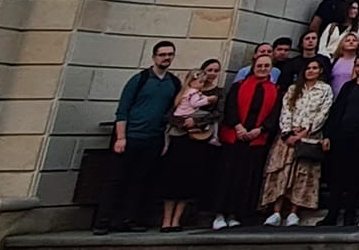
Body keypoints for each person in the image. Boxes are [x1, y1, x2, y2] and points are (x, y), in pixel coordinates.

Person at [98, 40, 180, 234]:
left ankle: (131, 219)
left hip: (153, 139)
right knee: (117, 180)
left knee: (141, 181)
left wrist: (165, 139)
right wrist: (121, 137)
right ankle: (104, 221)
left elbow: (172, 113)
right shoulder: (140, 79)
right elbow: (123, 109)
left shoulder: (173, 83)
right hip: (130, 136)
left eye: (170, 54)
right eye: (162, 54)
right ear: (154, 57)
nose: (166, 58)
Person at [260, 55, 332, 226]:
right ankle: (276, 211)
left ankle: (294, 211)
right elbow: (286, 110)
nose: (311, 71)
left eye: (314, 68)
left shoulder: (325, 89)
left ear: (320, 70)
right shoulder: (293, 89)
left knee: (302, 174)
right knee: (282, 172)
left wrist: (305, 131)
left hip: (309, 136)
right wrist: (287, 133)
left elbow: (323, 112)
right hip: (287, 137)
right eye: (308, 68)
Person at [214, 52, 280, 228]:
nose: (262, 69)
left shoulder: (275, 90)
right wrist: (238, 126)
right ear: (253, 67)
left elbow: (274, 114)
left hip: (256, 140)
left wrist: (260, 129)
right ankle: (220, 214)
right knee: (227, 177)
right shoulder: (239, 85)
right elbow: (230, 107)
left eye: (266, 66)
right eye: (259, 66)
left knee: (245, 179)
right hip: (235, 137)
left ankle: (236, 213)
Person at [158, 58, 221, 233]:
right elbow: (170, 115)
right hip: (179, 139)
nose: (212, 74)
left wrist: (197, 122)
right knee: (171, 179)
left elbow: (217, 114)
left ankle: (177, 219)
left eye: (216, 70)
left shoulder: (217, 94)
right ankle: (166, 219)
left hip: (198, 140)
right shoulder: (185, 93)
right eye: (209, 70)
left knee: (188, 180)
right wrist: (183, 123)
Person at [320, 52, 359, 226]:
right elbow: (336, 112)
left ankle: (350, 214)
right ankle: (332, 213)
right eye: (358, 65)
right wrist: (328, 135)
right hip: (341, 137)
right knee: (336, 178)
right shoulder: (347, 87)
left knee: (355, 178)